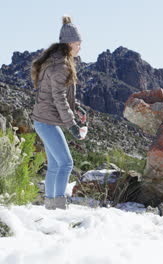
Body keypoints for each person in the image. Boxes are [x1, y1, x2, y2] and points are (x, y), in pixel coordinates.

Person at [31, 15, 87, 210]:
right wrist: (72, 125)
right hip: (46, 122)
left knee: (55, 164)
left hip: (44, 120)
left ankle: (50, 206)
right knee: (66, 163)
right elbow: (59, 99)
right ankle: (59, 206)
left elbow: (60, 94)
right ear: (71, 43)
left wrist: (76, 106)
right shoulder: (61, 66)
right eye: (79, 43)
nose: (80, 46)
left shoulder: (56, 61)